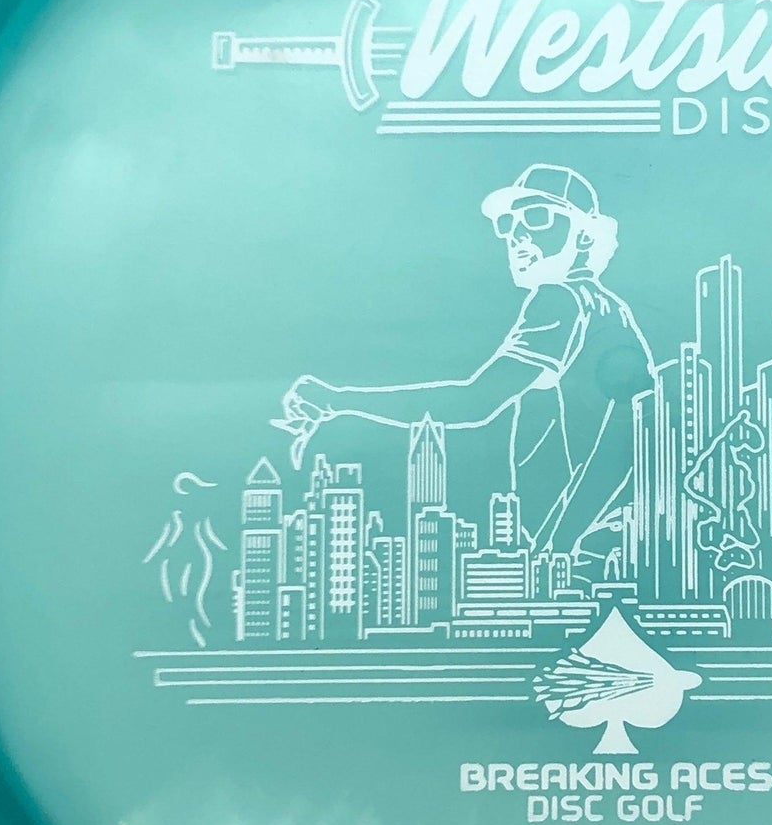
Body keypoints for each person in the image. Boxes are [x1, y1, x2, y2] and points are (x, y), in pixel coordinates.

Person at [278, 165, 653, 574]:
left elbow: (474, 402)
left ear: (584, 236)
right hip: (603, 535)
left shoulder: (558, 300)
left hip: (577, 545)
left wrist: (337, 400)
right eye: (507, 224)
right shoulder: (610, 307)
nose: (517, 235)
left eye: (538, 217)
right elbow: (615, 438)